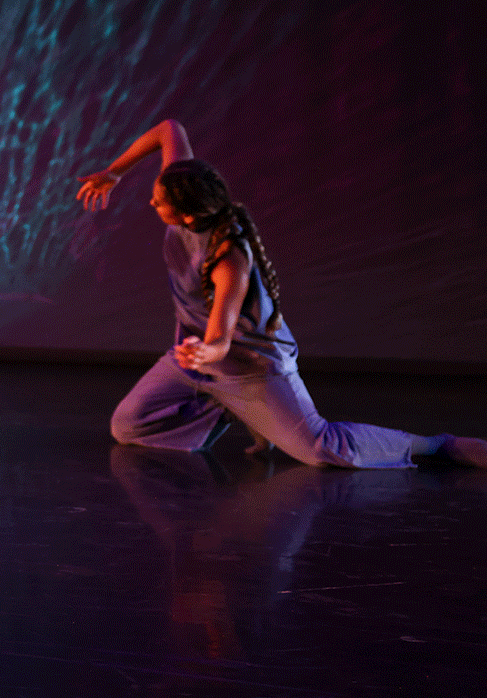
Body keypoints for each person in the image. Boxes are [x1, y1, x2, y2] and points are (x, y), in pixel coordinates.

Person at [75, 119, 487, 469]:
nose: (152, 201)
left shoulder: (228, 260)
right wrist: (115, 172)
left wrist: (205, 353)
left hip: (251, 366)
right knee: (130, 425)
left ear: (187, 214)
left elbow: (220, 339)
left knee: (322, 450)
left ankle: (437, 445)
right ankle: (228, 408)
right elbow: (169, 129)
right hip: (197, 361)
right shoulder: (185, 185)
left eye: (158, 202)